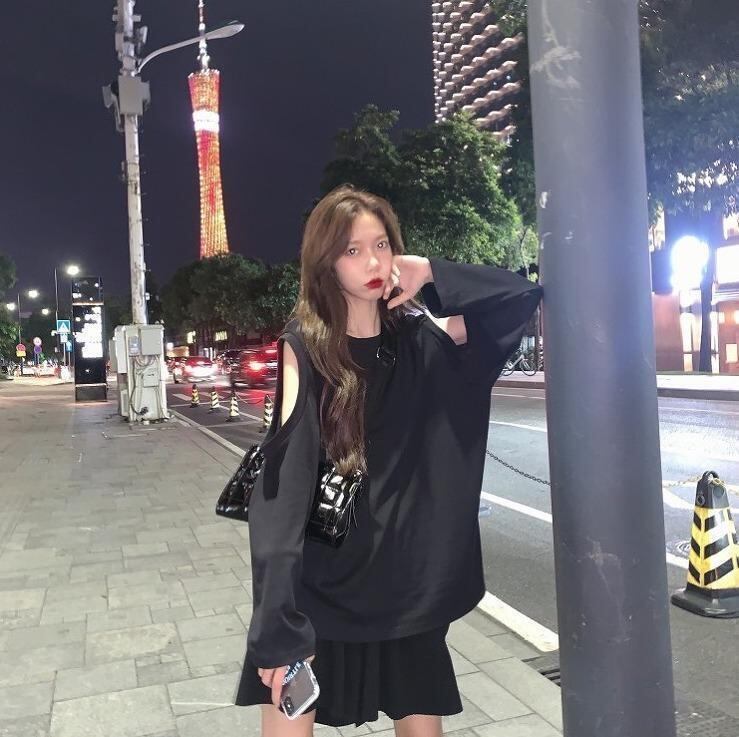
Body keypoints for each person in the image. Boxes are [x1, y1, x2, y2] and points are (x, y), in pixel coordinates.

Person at [235, 185, 542, 736]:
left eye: (381, 245)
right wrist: (277, 621)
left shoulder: (423, 339)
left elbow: (519, 298)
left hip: (404, 589)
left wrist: (431, 272)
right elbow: (282, 489)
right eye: (352, 250)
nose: (373, 263)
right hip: (321, 590)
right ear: (326, 262)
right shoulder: (306, 347)